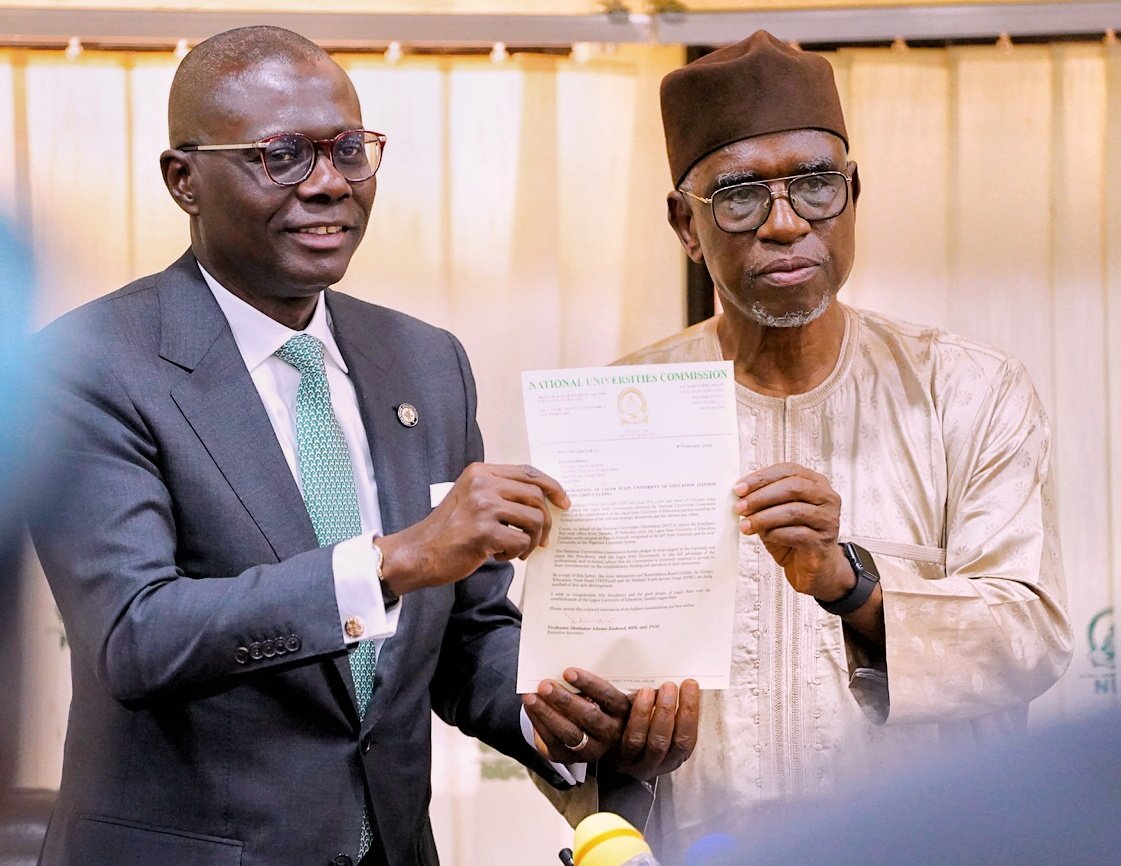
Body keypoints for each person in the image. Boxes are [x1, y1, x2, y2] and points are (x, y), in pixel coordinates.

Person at [27, 26, 693, 866]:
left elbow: (468, 634)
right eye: (282, 157)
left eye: (349, 150)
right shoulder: (86, 366)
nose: (329, 185)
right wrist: (391, 561)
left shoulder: (424, 361)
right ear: (183, 180)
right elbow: (136, 635)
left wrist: (547, 710)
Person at [557, 31, 1073, 860]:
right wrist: (609, 741)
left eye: (815, 185)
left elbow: (1030, 639)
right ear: (683, 226)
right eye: (737, 196)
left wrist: (852, 585)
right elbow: (573, 691)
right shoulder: (620, 412)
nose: (785, 223)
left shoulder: (966, 390)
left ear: (853, 192)